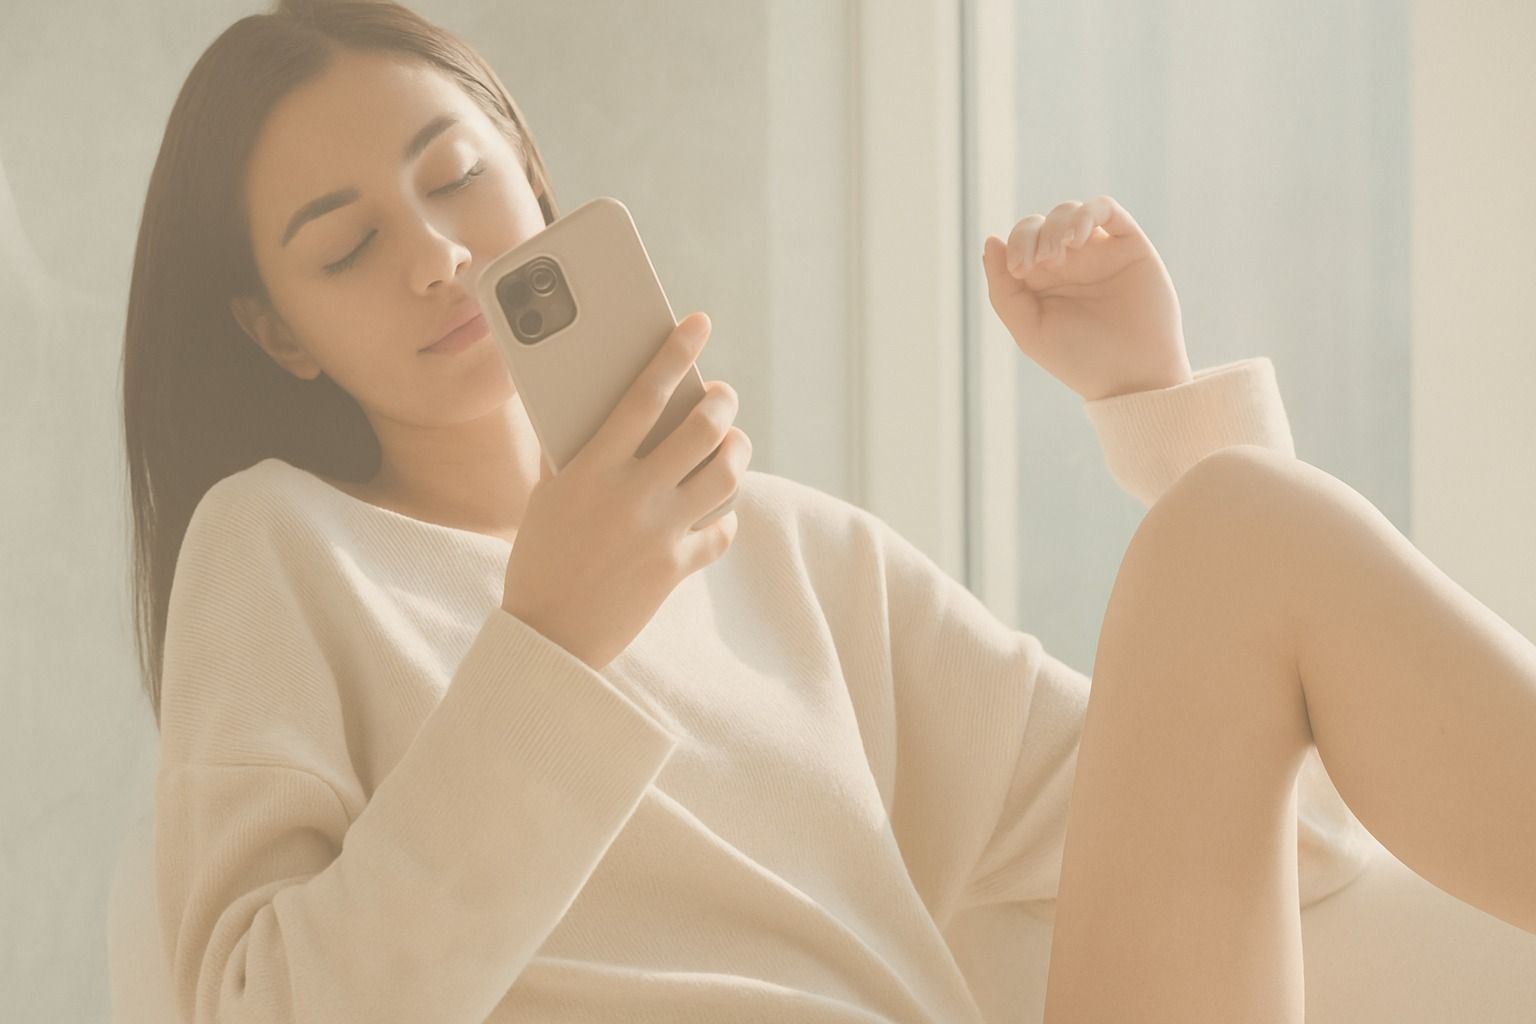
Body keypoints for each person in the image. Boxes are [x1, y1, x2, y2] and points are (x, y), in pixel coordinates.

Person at [123, 1, 1535, 1022]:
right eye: (347, 247)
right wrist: (549, 641)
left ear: (534, 178)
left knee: (1233, 526)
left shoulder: (797, 555)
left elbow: (1297, 842)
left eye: (455, 179)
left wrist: (1151, 400)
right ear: (279, 331)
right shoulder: (283, 548)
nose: (436, 255)